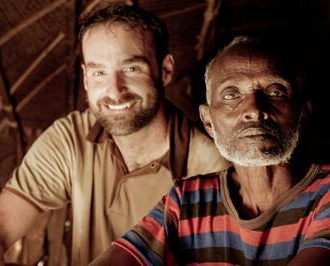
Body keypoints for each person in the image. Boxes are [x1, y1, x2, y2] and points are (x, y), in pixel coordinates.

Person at [0, 4, 228, 266]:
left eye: (132, 69)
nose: (115, 90)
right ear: (86, 78)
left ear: (165, 70)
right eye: (99, 73)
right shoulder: (71, 137)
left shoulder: (212, 170)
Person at [90, 36, 330, 265]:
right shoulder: (186, 199)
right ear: (208, 121)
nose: (255, 110)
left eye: (275, 92)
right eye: (231, 94)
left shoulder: (326, 192)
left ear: (303, 112)